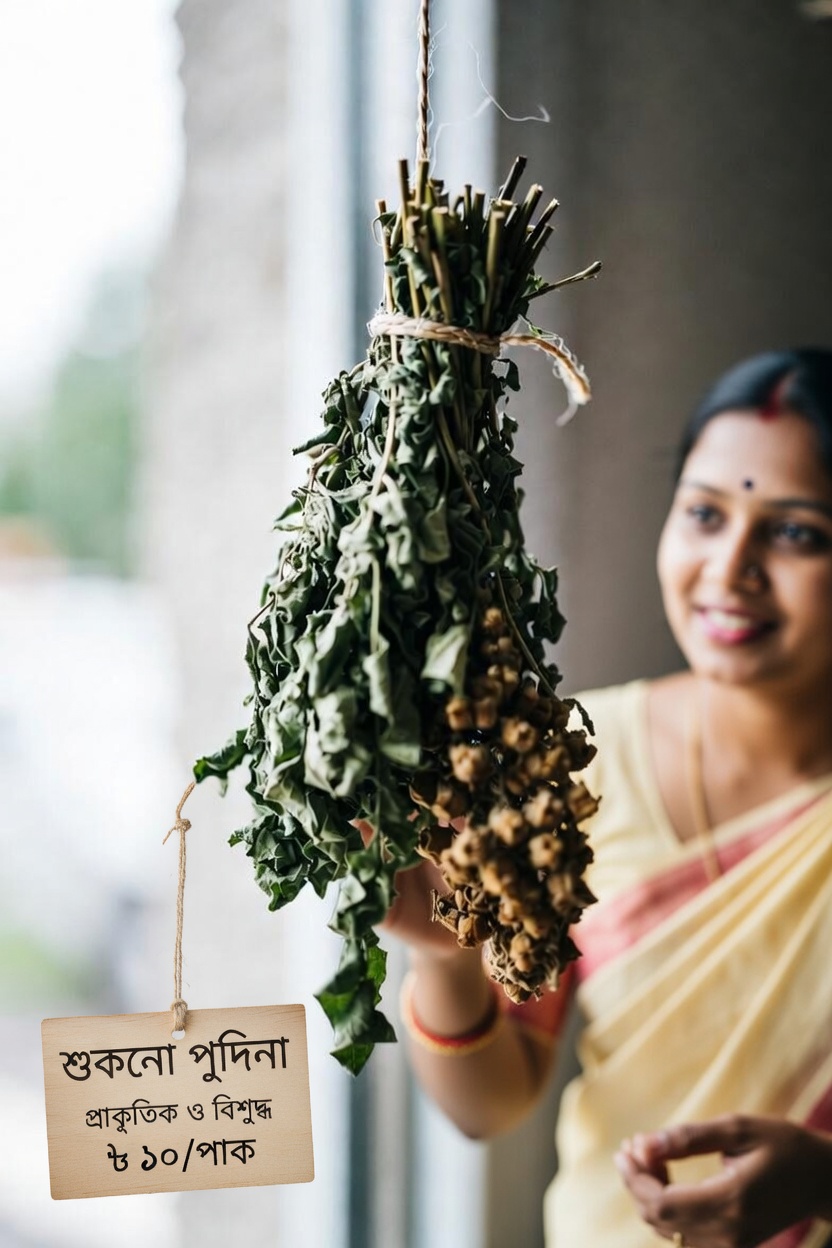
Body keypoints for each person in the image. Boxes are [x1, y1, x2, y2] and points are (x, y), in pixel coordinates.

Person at [382, 348, 832, 1248]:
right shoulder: (577, 758)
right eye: (704, 514)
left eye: (795, 532)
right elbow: (494, 1102)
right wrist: (445, 960)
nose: (729, 567)